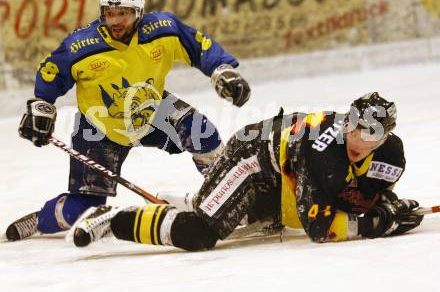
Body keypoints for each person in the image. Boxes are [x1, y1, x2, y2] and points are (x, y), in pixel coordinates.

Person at [5, 0, 250, 241]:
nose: (115, 20)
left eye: (122, 13)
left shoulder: (163, 29)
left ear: (138, 12)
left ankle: (229, 196)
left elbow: (199, 46)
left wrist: (222, 70)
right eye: (110, 14)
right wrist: (42, 109)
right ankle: (40, 219)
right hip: (99, 127)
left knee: (202, 133)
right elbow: (51, 75)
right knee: (81, 208)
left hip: (151, 109)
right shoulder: (80, 45)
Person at [71, 92, 424, 250]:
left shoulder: (391, 157)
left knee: (257, 219)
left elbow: (364, 195)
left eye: (370, 133)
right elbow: (319, 228)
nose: (357, 137)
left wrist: (388, 204)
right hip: (254, 158)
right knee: (201, 233)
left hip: (284, 173)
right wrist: (381, 222)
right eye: (353, 125)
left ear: (386, 136)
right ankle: (114, 218)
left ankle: (192, 200)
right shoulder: (324, 149)